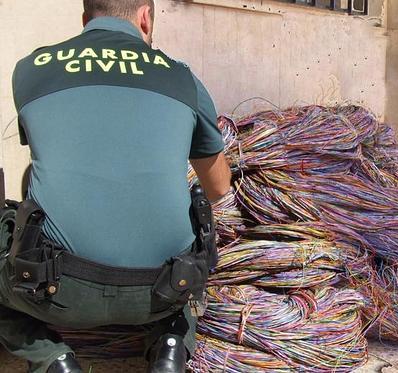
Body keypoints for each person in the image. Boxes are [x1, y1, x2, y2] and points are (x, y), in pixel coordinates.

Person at [0, 0, 231, 372]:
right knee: (196, 225)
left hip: (58, 290)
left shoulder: (31, 70)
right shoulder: (182, 78)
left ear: (85, 19)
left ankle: (53, 359)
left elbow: (45, 156)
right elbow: (219, 187)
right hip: (164, 287)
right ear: (145, 17)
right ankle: (170, 347)